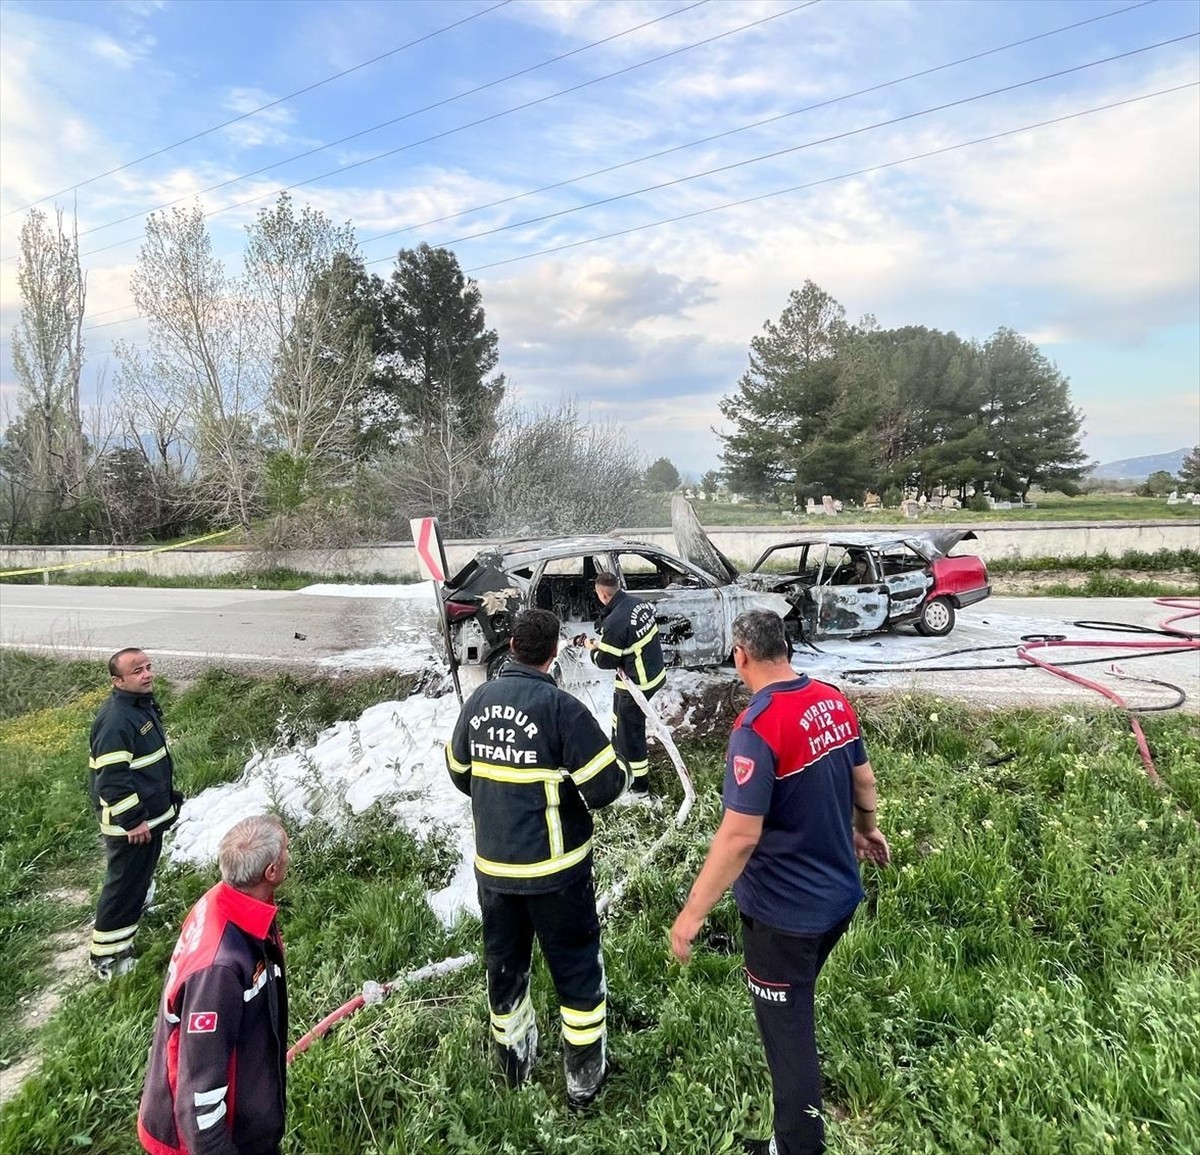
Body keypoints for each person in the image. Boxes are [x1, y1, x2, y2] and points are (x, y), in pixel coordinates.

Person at [670, 610, 890, 1155]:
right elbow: (863, 778)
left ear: (740, 655)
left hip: (785, 916)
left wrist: (692, 913)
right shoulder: (832, 699)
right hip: (839, 897)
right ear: (785, 649)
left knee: (788, 1039)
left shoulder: (757, 728)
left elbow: (739, 836)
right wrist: (867, 830)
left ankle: (796, 1147)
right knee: (798, 996)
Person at [446, 608, 627, 1109]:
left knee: (505, 968)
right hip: (557, 875)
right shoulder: (561, 709)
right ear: (553, 654)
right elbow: (606, 786)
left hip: (495, 873)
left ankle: (515, 1068)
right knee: (576, 970)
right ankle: (583, 1083)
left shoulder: (479, 701)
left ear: (512, 647)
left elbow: (460, 772)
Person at [138, 814, 290, 1155]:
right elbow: (199, 1097)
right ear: (271, 872)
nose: (288, 856)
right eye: (285, 852)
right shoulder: (219, 969)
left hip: (244, 1120)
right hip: (206, 1140)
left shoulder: (227, 904)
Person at [87, 647, 182, 979]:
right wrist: (132, 820)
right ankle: (109, 959)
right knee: (123, 888)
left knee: (136, 882)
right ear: (117, 680)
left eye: (148, 666)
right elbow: (111, 780)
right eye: (137, 671)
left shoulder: (139, 707)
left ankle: (134, 916)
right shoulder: (115, 720)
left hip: (147, 819)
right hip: (132, 826)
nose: (147, 674)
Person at [581, 571, 665, 795]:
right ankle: (618, 758)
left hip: (638, 683)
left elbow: (606, 660)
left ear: (602, 594)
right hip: (651, 670)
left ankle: (638, 785)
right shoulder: (637, 604)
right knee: (619, 719)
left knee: (631, 733)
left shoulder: (616, 623)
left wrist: (593, 649)